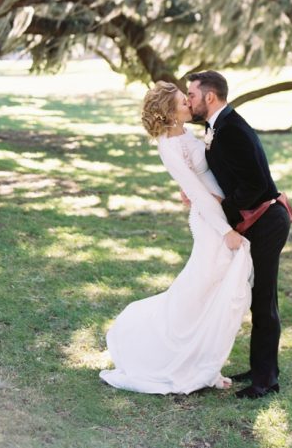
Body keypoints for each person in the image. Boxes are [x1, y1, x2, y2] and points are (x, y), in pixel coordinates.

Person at [100, 82, 253, 394]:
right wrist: (225, 232)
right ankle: (170, 355)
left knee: (214, 293)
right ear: (170, 113)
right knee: (200, 293)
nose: (190, 105)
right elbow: (196, 191)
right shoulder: (168, 147)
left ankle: (207, 366)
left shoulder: (185, 133)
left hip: (220, 214)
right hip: (211, 223)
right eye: (184, 102)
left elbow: (203, 176)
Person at [187, 70, 291, 399]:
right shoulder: (220, 126)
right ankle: (260, 368)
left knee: (263, 300)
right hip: (255, 221)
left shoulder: (231, 129)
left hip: (267, 221)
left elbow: (256, 185)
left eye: (191, 95)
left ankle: (266, 381)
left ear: (210, 97)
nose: (188, 100)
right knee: (253, 298)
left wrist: (222, 210)